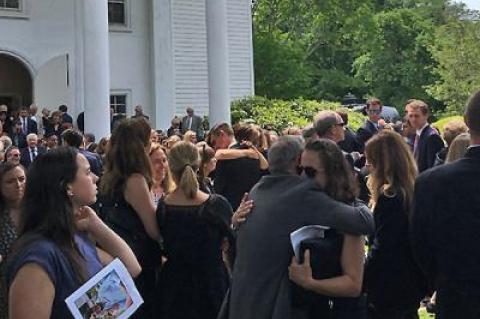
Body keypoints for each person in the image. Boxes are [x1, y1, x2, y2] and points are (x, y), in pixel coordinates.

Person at [226, 136, 374, 319]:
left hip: (243, 302)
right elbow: (365, 221)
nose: (307, 177)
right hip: (275, 305)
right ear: (298, 161)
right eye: (306, 170)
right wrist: (353, 200)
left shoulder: (258, 189)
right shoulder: (302, 193)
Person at [6, 147, 141, 319]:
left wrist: (96, 225)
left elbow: (131, 268)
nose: (96, 178)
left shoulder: (75, 238)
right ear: (67, 186)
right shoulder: (38, 256)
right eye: (88, 172)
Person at [411, 90, 480, 318]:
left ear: (467, 123)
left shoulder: (431, 183)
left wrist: (443, 280)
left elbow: (421, 248)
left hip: (456, 297)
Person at [288, 139, 366, 319]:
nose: (303, 178)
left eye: (310, 172)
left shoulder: (347, 213)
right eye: (300, 170)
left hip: (336, 311)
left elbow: (353, 284)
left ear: (332, 173)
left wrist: (309, 283)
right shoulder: (299, 203)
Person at [156, 141, 234, 319]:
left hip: (174, 285)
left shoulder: (163, 206)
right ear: (198, 165)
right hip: (211, 283)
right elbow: (231, 240)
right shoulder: (216, 205)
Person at [100, 117, 162, 319]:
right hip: (139, 262)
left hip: (118, 260)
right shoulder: (135, 180)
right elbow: (153, 228)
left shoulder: (110, 177)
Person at [363, 130, 426, 318]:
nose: (367, 165)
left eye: (371, 160)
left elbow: (383, 247)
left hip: (389, 285)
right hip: (411, 281)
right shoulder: (413, 192)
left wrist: (363, 276)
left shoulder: (389, 197)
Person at [209, 123, 262, 210]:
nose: (215, 146)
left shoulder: (225, 157)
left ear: (222, 134)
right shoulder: (253, 153)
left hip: (230, 207)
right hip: (253, 205)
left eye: (214, 141)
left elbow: (219, 188)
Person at [0, 163, 26, 319]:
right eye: (10, 181)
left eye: (22, 179)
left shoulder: (39, 211)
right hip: (6, 285)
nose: (18, 185)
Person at [405, 99, 444, 172]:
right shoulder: (415, 135)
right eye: (410, 116)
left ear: (426, 116)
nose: (413, 119)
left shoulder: (432, 137)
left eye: (417, 116)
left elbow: (433, 168)